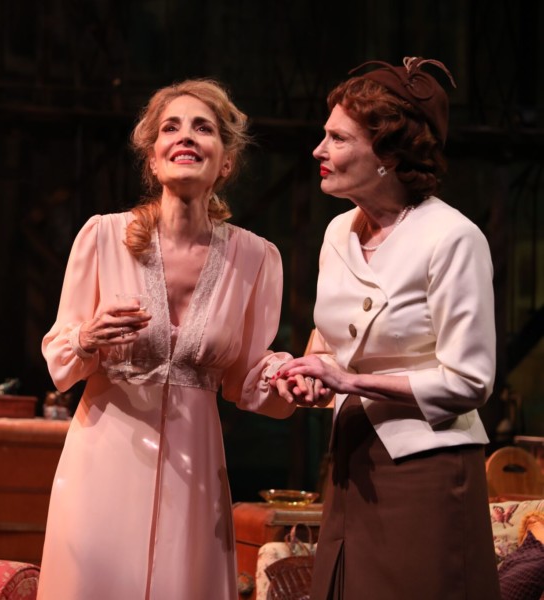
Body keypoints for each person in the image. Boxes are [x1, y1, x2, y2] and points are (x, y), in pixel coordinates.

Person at [39, 79, 305, 599]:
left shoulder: (255, 258)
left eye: (202, 128)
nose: (185, 137)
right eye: (171, 128)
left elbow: (247, 379)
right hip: (102, 465)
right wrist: (89, 337)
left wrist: (290, 378)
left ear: (225, 162)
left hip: (196, 470)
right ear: (154, 158)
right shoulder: (102, 237)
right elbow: (59, 354)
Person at [279, 57, 501, 599]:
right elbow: (331, 338)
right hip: (352, 461)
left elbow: (471, 381)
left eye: (337, 138)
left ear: (386, 153)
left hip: (427, 466)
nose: (319, 151)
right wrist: (312, 373)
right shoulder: (339, 232)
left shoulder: (451, 237)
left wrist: (350, 383)